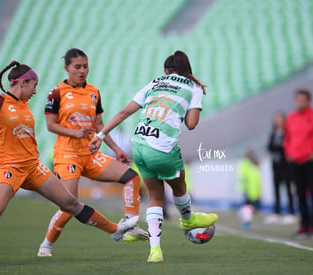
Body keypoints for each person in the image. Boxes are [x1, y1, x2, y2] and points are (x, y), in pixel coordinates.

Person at [0, 61, 138, 264]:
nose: (35, 90)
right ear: (22, 83)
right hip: (9, 168)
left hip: (33, 166)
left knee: (71, 203)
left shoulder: (24, 104)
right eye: (33, 85)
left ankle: (116, 231)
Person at [89, 50, 218, 262]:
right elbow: (192, 124)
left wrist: (101, 135)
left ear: (166, 71)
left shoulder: (155, 82)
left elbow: (123, 112)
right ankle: (187, 220)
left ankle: (155, 251)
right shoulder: (192, 86)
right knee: (179, 187)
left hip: (139, 144)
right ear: (187, 69)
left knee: (155, 197)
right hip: (162, 147)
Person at [37, 48, 147, 257]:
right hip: (67, 155)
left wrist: (116, 149)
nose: (82, 70)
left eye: (85, 66)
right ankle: (46, 245)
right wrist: (74, 132)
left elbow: (99, 125)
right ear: (66, 68)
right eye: (77, 67)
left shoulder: (94, 92)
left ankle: (129, 226)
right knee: (70, 202)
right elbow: (50, 125)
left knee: (131, 177)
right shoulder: (57, 92)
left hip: (91, 154)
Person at [284, 90, 313, 239]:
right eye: (298, 100)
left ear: (308, 101)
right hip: (295, 161)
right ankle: (303, 224)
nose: (300, 103)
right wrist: (289, 153)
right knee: (300, 194)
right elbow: (287, 139)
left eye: (303, 100)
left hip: (310, 161)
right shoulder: (291, 118)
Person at [265, 112, 296, 225]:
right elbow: (269, 147)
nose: (278, 122)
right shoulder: (274, 134)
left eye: (280, 120)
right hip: (275, 165)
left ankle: (291, 213)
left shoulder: (288, 133)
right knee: (276, 189)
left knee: (288, 189)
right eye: (276, 120)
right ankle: (276, 213)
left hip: (286, 166)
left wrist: (280, 148)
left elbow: (287, 147)